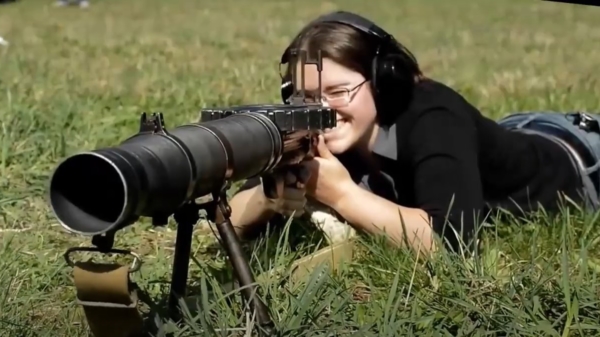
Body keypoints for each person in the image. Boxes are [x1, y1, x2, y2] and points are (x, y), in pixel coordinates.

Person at [228, 11, 600, 255]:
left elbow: (451, 242)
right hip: (511, 132)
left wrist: (341, 194)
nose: (322, 110)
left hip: (579, 160)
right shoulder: (326, 125)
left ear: (382, 82)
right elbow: (230, 217)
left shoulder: (433, 117)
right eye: (306, 97)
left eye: (339, 92)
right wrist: (270, 197)